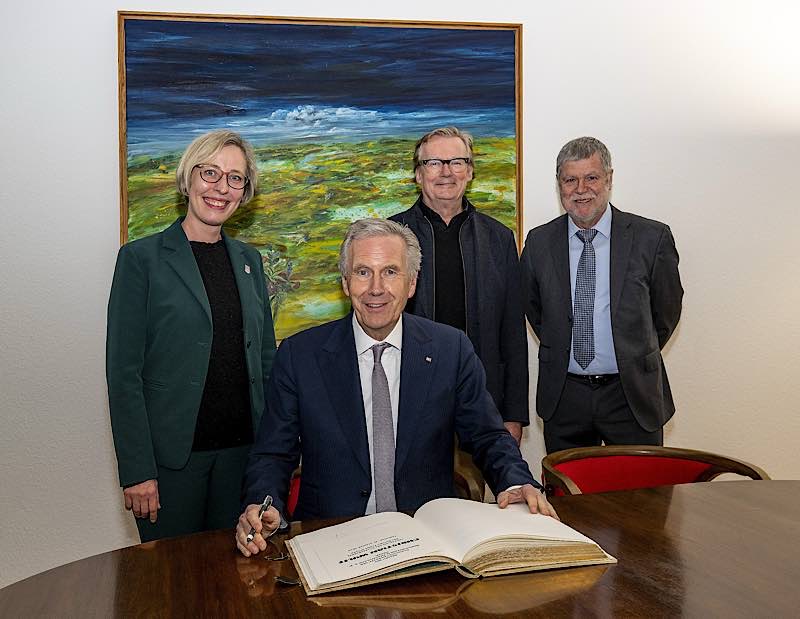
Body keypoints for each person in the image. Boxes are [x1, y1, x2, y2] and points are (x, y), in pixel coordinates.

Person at [236, 219, 556, 556]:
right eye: (362, 272)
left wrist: (516, 482)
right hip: (331, 537)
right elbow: (273, 452)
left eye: (390, 272)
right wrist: (262, 503)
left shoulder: (451, 350)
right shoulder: (301, 356)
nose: (376, 288)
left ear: (412, 283)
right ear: (345, 283)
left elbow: (488, 436)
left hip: (428, 539)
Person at [107, 130, 277, 541]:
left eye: (235, 178)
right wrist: (138, 471)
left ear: (245, 192)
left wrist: (274, 454)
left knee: (235, 586)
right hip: (169, 466)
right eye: (210, 172)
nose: (221, 187)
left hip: (241, 459)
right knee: (169, 590)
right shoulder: (141, 260)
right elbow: (123, 373)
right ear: (188, 179)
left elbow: (267, 360)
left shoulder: (249, 260)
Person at [520, 137, 683, 454]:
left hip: (631, 394)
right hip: (565, 397)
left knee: (642, 500)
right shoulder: (539, 242)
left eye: (591, 177)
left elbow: (665, 314)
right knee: (567, 499)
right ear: (559, 185)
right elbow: (536, 311)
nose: (581, 189)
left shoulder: (651, 238)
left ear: (608, 179)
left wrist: (632, 351)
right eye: (570, 179)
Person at [390, 127, 528, 444]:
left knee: (477, 493)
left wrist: (513, 414)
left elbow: (513, 331)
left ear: (470, 172)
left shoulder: (499, 238)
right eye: (434, 163)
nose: (446, 172)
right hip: (409, 397)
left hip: (481, 400)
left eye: (457, 162)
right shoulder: (392, 236)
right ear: (417, 174)